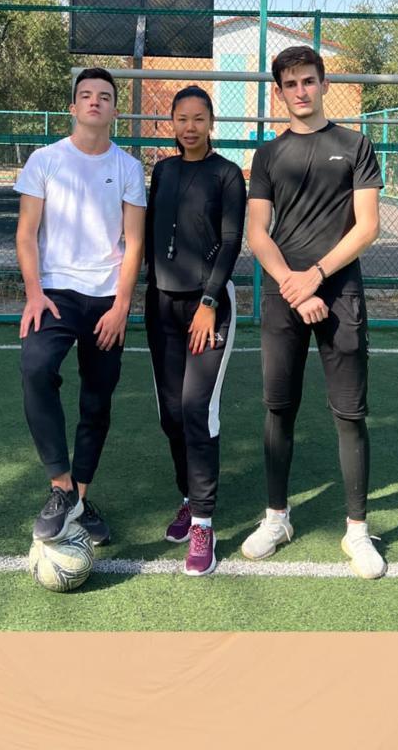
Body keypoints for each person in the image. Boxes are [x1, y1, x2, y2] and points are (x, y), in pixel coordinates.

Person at [241, 45, 386, 579]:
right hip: (285, 296)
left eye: (308, 80)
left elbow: (367, 226)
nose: (300, 90)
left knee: (350, 413)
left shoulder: (355, 145)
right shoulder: (268, 155)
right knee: (278, 408)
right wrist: (294, 285)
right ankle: (276, 518)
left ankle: (357, 530)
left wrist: (317, 276)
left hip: (339, 293)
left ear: (324, 85)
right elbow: (258, 231)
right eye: (290, 83)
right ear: (279, 92)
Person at [15, 67, 146, 545]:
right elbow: (26, 233)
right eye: (86, 95)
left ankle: (81, 498)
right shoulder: (45, 160)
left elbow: (134, 243)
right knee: (35, 368)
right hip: (55, 293)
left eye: (104, 96)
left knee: (97, 397)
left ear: (114, 110)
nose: (95, 101)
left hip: (106, 299)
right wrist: (35, 292)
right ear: (73, 107)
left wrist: (122, 305)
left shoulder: (128, 167)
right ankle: (61, 487)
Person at [145, 86, 246, 576]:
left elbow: (231, 241)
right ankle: (188, 498)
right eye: (182, 118)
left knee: (195, 410)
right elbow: (151, 234)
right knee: (170, 414)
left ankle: (204, 522)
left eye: (198, 118)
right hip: (161, 305)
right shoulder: (163, 171)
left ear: (211, 123)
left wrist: (208, 300)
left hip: (208, 306)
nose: (190, 127)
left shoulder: (227, 174)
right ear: (172, 123)